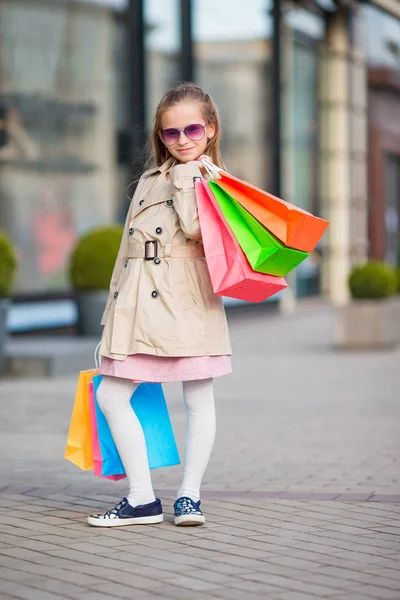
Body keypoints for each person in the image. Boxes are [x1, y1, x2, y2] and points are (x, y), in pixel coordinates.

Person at [87, 83, 232, 528]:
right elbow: (125, 256)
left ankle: (189, 496)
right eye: (171, 133)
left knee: (198, 397)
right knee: (111, 395)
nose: (183, 139)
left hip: (189, 302)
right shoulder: (149, 180)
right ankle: (142, 498)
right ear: (160, 135)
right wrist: (110, 314)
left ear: (209, 129)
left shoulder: (215, 180)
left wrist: (189, 176)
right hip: (137, 306)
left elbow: (193, 228)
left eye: (192, 129)